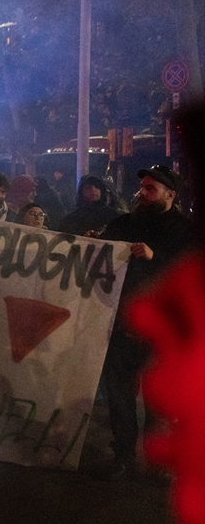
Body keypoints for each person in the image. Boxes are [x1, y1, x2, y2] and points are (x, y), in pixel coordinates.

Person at [99, 165, 194, 480]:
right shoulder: (124, 224)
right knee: (120, 396)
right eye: (142, 187)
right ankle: (123, 457)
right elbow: (99, 255)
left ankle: (157, 462)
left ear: (170, 194)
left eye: (151, 188)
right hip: (124, 324)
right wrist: (93, 244)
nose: (142, 193)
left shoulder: (187, 232)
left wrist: (155, 258)